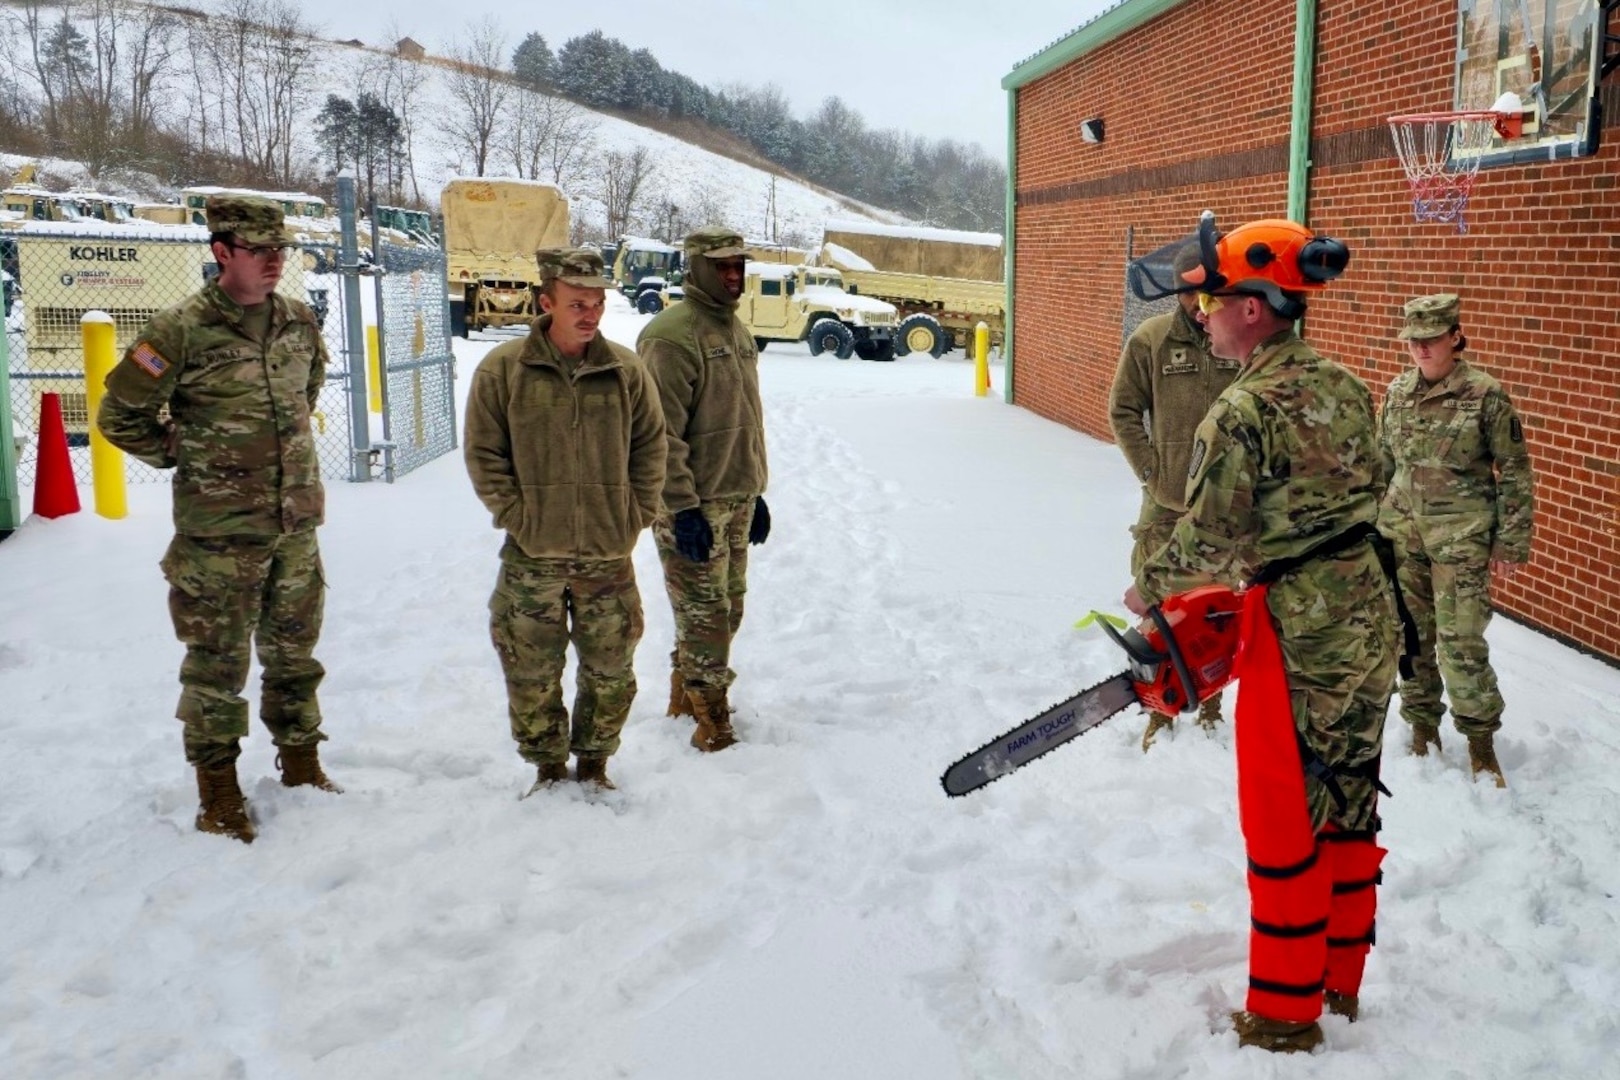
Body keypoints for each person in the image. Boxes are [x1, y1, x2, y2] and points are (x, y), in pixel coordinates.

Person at [1123, 215, 1405, 1053]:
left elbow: (1207, 539)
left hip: (1300, 630)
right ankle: (1340, 980)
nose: (1203, 313)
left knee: (1288, 807)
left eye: (1213, 299)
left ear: (1254, 309)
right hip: (1369, 610)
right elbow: (1378, 484)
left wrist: (1150, 587)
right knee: (1350, 791)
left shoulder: (1240, 410)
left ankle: (1285, 1013)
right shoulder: (1350, 386)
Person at [97, 194, 337, 844]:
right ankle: (219, 794)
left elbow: (306, 390)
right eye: (259, 252)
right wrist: (185, 448)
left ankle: (303, 764)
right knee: (216, 668)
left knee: (294, 655)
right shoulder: (178, 330)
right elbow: (119, 416)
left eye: (279, 251)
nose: (272, 263)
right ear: (222, 252)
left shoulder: (296, 321)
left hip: (293, 526)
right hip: (219, 536)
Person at [463, 247, 666, 796]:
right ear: (547, 301)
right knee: (529, 668)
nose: (590, 313)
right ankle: (548, 767)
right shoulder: (505, 370)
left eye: (597, 302)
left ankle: (595, 764)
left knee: (611, 668)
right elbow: (485, 454)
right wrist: (518, 516)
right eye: (578, 302)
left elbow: (651, 448)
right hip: (533, 556)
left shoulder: (626, 370)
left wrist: (636, 513)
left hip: (607, 554)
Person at [1377, 294, 1533, 788]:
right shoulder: (1397, 391)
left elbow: (1513, 470)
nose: (1420, 349)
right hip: (1403, 535)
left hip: (1462, 539)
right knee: (1412, 637)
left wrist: (1510, 541)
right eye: (1413, 341)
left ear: (1454, 337)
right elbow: (1384, 464)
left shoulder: (1485, 395)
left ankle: (1481, 742)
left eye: (1430, 339)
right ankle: (1422, 728)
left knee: (1462, 641)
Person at [637, 226, 770, 753]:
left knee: (727, 609)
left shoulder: (735, 331)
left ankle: (683, 695)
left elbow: (744, 421)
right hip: (690, 506)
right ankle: (712, 722)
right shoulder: (671, 335)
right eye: (722, 267)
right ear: (696, 268)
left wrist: (756, 492)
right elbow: (658, 433)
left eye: (739, 266)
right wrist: (680, 507)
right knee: (705, 617)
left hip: (735, 498)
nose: (734, 276)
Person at [1109, 243, 1240, 750]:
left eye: (1209, 291)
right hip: (1165, 503)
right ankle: (1159, 713)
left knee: (1220, 604)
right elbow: (1123, 410)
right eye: (1190, 291)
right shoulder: (1152, 340)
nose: (1199, 302)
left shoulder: (1238, 342)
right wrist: (1152, 471)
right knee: (1161, 604)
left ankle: (1211, 705)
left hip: (1228, 503)